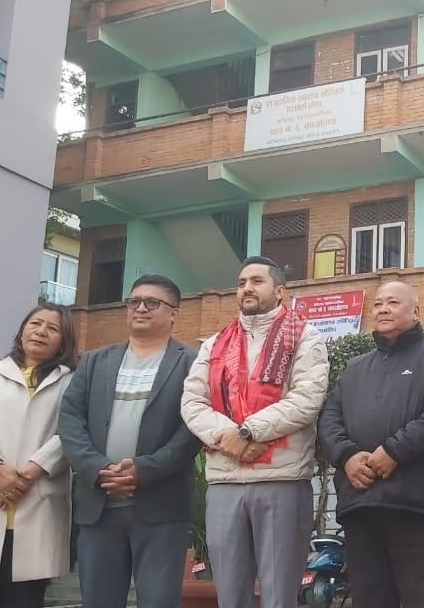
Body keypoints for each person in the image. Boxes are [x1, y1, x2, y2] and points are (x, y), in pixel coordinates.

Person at [180, 256, 329, 608]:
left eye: (257, 281)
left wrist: (247, 433)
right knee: (230, 594)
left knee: (279, 595)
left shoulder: (305, 337)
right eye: (242, 282)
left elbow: (306, 400)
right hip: (225, 482)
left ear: (279, 291)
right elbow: (192, 401)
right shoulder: (215, 343)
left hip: (282, 480)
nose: (247, 288)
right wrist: (230, 439)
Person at [58, 275, 201, 608]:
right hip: (99, 506)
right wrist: (98, 469)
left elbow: (192, 428)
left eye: (152, 302)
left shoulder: (192, 363)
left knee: (158, 601)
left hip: (161, 507)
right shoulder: (94, 361)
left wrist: (144, 469)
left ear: (173, 313)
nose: (140, 308)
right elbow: (70, 420)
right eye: (134, 301)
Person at [319, 281, 424, 608]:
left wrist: (394, 450)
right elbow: (329, 417)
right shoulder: (355, 367)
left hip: (418, 506)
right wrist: (347, 456)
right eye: (378, 303)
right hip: (361, 504)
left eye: (393, 303)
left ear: (416, 312)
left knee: (423, 600)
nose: (383, 309)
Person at [0, 304, 79, 608]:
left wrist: (30, 473)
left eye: (52, 328)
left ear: (64, 341)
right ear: (22, 331)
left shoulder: (72, 383)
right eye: (35, 324)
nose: (41, 332)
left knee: (26, 597)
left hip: (39, 504)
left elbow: (72, 432)